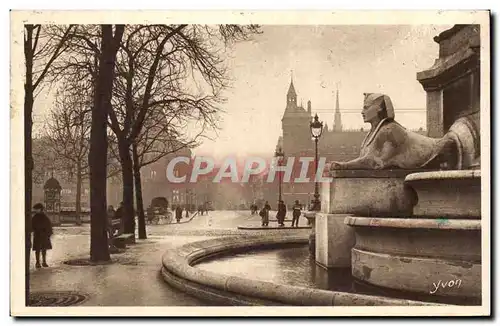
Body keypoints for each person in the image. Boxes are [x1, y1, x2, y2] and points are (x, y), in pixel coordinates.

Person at [330, 93, 459, 171]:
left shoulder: (390, 130)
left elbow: (375, 162)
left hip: (442, 150)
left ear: (379, 109)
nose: (362, 112)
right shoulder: (375, 132)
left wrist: (345, 166)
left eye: (366, 107)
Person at [31, 203, 53, 268]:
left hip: (44, 235)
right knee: (37, 250)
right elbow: (32, 226)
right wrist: (33, 230)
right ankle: (37, 262)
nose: (36, 210)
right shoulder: (34, 217)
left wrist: (48, 234)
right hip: (37, 235)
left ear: (41, 209)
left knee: (44, 249)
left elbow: (49, 226)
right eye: (35, 209)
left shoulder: (45, 217)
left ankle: (44, 262)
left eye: (37, 209)